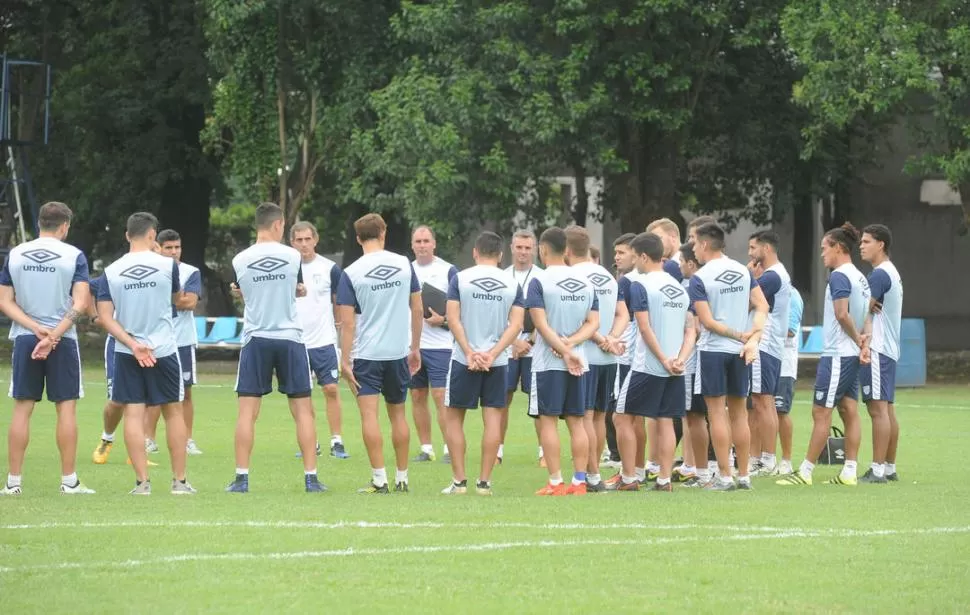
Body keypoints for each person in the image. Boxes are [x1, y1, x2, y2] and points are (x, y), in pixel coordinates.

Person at [225, 203, 324, 494]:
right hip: (290, 337)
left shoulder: (240, 259)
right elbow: (297, 289)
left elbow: (244, 292)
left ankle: (241, 478)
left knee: (247, 412)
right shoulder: (293, 256)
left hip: (256, 337)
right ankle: (311, 478)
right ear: (279, 224)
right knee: (303, 410)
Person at [0, 201, 94, 495]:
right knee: (66, 409)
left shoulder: (15, 254)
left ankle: (13, 483)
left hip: (26, 337)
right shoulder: (74, 255)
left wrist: (33, 327)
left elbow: (4, 301)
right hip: (62, 339)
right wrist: (52, 335)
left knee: (22, 409)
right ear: (65, 225)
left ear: (39, 223)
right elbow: (80, 302)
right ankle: (69, 481)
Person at [97, 212, 194, 495]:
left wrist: (132, 343)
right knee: (174, 413)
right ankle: (179, 482)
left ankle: (142, 483)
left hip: (127, 352)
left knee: (133, 415)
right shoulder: (168, 266)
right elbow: (177, 299)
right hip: (163, 349)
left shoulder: (111, 270)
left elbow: (105, 316)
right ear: (153, 235)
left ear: (127, 235)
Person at [777, 223, 870, 487]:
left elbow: (842, 314)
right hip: (849, 354)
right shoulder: (860, 277)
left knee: (821, 412)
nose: (821, 254)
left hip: (838, 354)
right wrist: (861, 343)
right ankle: (849, 472)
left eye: (824, 248)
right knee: (849, 409)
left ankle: (805, 471)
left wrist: (858, 339)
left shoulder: (840, 276)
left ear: (839, 248)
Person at [337, 213, 423, 494]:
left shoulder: (350, 273)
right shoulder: (404, 265)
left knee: (369, 417)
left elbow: (347, 322)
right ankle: (402, 478)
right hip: (398, 352)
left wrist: (345, 359)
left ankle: (379, 479)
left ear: (358, 238)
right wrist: (415, 348)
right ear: (383, 233)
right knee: (399, 415)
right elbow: (418, 309)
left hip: (367, 354)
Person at [441, 231, 524, 495]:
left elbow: (452, 318)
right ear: (501, 255)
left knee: (454, 418)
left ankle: (459, 481)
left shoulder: (460, 278)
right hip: (496, 362)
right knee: (493, 420)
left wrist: (469, 351)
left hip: (463, 359)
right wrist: (493, 352)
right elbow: (517, 325)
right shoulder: (512, 283)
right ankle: (485, 482)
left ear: (475, 252)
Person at [688, 221, 768, 491]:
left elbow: (707, 322)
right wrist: (752, 336)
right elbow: (762, 306)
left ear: (705, 244)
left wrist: (740, 335)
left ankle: (724, 477)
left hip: (714, 351)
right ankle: (744, 476)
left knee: (716, 414)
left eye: (694, 242)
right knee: (739, 415)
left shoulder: (700, 277)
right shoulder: (742, 272)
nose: (692, 248)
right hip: (738, 353)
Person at [614, 233, 695, 491]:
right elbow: (691, 330)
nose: (635, 262)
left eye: (636, 256)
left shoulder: (641, 285)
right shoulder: (680, 288)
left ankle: (628, 478)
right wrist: (679, 360)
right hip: (675, 368)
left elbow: (645, 328)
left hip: (647, 365)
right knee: (665, 420)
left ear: (644, 256)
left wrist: (662, 359)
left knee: (621, 417)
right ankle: (664, 479)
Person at [527, 227, 599, 495]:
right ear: (567, 250)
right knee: (577, 422)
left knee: (548, 421)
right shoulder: (586, 282)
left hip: (550, 362)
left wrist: (562, 347)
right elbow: (593, 323)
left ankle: (556, 482)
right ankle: (580, 481)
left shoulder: (539, 281)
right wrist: (571, 345)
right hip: (580, 360)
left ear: (543, 250)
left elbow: (541, 324)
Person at [564, 225, 618, 492]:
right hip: (608, 357)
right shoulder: (607, 275)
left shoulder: (572, 277)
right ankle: (594, 475)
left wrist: (598, 338)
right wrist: (611, 339)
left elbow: (583, 320)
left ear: (566, 249)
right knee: (598, 417)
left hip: (584, 356)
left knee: (584, 417)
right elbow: (622, 314)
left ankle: (590, 475)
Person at [141, 230, 204, 456]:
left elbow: (189, 302)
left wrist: (161, 297)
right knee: (153, 395)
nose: (174, 252)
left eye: (177, 247)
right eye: (168, 248)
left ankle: (187, 439)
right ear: (158, 247)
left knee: (185, 393)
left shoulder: (190, 272)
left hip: (182, 341)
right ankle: (148, 439)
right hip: (154, 341)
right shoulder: (150, 271)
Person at [290, 221, 349, 460]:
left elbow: (340, 301)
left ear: (316, 239)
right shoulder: (288, 268)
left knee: (331, 388)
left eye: (307, 239)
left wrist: (338, 327)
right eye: (299, 240)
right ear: (292, 242)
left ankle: (337, 440)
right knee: (302, 394)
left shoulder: (330, 268)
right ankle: (310, 441)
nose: (304, 244)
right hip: (296, 341)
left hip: (324, 340)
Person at [409, 225, 458, 462]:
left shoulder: (448, 270)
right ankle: (426, 448)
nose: (422, 246)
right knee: (417, 395)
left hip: (442, 346)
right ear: (412, 245)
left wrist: (444, 319)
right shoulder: (405, 270)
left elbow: (461, 309)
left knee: (441, 396)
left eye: (426, 241)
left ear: (434, 243)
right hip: (413, 346)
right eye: (418, 242)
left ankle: (450, 448)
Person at [858, 224, 903, 483]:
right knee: (887, 409)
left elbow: (864, 309)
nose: (861, 246)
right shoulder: (892, 273)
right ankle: (888, 467)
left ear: (880, 244)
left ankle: (876, 470)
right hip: (889, 348)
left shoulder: (878, 275)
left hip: (877, 346)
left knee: (877, 410)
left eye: (866, 241)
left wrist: (862, 340)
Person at [746, 230, 791, 475]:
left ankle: (767, 459)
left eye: (753, 248)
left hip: (763, 344)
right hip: (770, 345)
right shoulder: (779, 274)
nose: (750, 253)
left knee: (763, 402)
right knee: (762, 402)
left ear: (766, 249)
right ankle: (757, 457)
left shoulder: (772, 277)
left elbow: (747, 298)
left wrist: (747, 277)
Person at [503, 230, 542, 465]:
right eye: (519, 247)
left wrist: (528, 341)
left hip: (534, 346)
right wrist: (512, 341)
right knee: (501, 399)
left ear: (535, 249)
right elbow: (495, 315)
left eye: (528, 248)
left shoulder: (542, 277)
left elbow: (548, 315)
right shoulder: (502, 276)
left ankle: (543, 453)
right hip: (506, 347)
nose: (523, 252)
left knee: (537, 401)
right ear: (511, 248)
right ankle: (497, 451)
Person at [677, 241, 713, 487]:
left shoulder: (695, 285)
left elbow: (696, 327)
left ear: (691, 263)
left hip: (694, 360)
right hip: (699, 359)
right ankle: (696, 468)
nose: (678, 266)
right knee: (694, 417)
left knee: (695, 416)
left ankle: (703, 471)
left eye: (680, 262)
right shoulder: (693, 284)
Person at [604, 233, 637, 468]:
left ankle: (625, 462)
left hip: (626, 354)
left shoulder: (626, 282)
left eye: (621, 252)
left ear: (637, 255)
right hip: (636, 353)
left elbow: (627, 318)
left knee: (621, 412)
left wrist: (610, 338)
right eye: (615, 253)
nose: (616, 258)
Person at [774, 285, 803, 476]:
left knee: (780, 411)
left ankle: (786, 460)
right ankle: (761, 459)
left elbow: (790, 330)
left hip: (784, 363)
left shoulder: (792, 294)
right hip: (765, 359)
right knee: (757, 411)